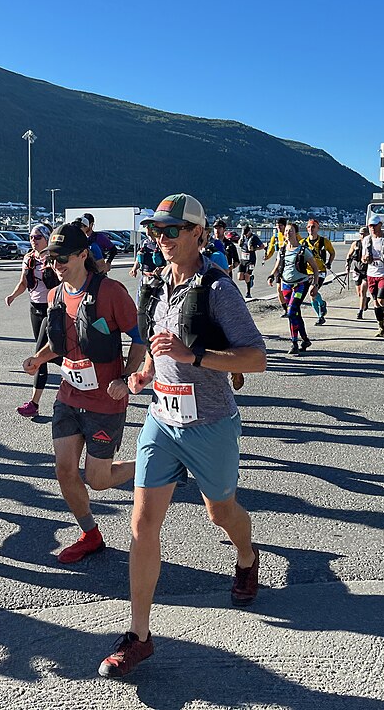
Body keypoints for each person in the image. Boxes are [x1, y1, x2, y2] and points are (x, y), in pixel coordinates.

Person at [98, 193, 267, 679]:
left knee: (221, 513)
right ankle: (139, 635)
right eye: (156, 231)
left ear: (198, 233)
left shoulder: (218, 290)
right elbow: (156, 352)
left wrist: (196, 357)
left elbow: (255, 358)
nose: (162, 239)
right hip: (161, 421)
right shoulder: (155, 288)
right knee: (141, 523)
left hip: (211, 423)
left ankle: (246, 556)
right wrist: (142, 375)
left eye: (172, 231)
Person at [21, 222, 145, 564]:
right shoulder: (54, 295)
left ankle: (156, 462)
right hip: (69, 395)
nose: (54, 264)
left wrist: (126, 376)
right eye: (50, 258)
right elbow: (58, 342)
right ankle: (90, 534)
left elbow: (139, 340)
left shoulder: (111, 292)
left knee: (98, 480)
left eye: (61, 257)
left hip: (106, 400)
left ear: (82, 255)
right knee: (63, 470)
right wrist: (38, 358)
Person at [6, 224, 59, 418]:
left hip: (52, 309)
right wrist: (12, 296)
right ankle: (83, 370)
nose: (33, 240)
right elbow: (24, 282)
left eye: (37, 237)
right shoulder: (29, 258)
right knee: (52, 353)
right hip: (35, 308)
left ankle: (34, 403)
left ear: (46, 238)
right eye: (30, 237)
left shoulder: (54, 258)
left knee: (39, 354)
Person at [271, 223, 322, 354]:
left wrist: (314, 285)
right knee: (295, 314)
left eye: (291, 231)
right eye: (286, 231)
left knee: (291, 311)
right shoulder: (282, 250)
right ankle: (305, 339)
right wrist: (271, 276)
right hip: (286, 284)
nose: (288, 233)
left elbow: (315, 269)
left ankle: (294, 342)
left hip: (300, 284)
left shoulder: (303, 250)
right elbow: (277, 266)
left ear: (296, 233)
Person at [301, 218, 335, 325]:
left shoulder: (324, 241)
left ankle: (322, 306)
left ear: (317, 228)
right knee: (312, 296)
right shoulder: (303, 243)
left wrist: (329, 262)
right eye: (309, 227)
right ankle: (320, 315)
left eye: (313, 226)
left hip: (320, 271)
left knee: (312, 291)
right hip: (308, 272)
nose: (311, 229)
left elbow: (332, 253)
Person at [263, 217, 289, 315]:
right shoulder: (276, 237)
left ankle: (291, 306)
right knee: (279, 289)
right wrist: (266, 257)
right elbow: (271, 249)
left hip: (290, 265)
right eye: (277, 226)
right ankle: (285, 309)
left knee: (287, 288)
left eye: (281, 226)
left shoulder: (291, 235)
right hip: (280, 264)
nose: (279, 228)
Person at [347, 226, 371, 319]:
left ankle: (360, 312)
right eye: (361, 234)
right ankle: (365, 301)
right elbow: (349, 255)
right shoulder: (355, 244)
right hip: (357, 271)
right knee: (359, 294)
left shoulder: (371, 244)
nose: (363, 235)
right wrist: (347, 265)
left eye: (364, 234)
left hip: (367, 271)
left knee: (363, 291)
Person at [236, 225, 264, 299]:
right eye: (244, 233)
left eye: (246, 233)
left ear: (249, 231)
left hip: (251, 260)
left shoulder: (254, 237)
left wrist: (254, 248)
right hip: (243, 259)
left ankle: (248, 293)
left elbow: (262, 246)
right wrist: (240, 241)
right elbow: (239, 244)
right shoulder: (243, 237)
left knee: (247, 275)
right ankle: (250, 279)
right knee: (240, 277)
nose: (245, 234)